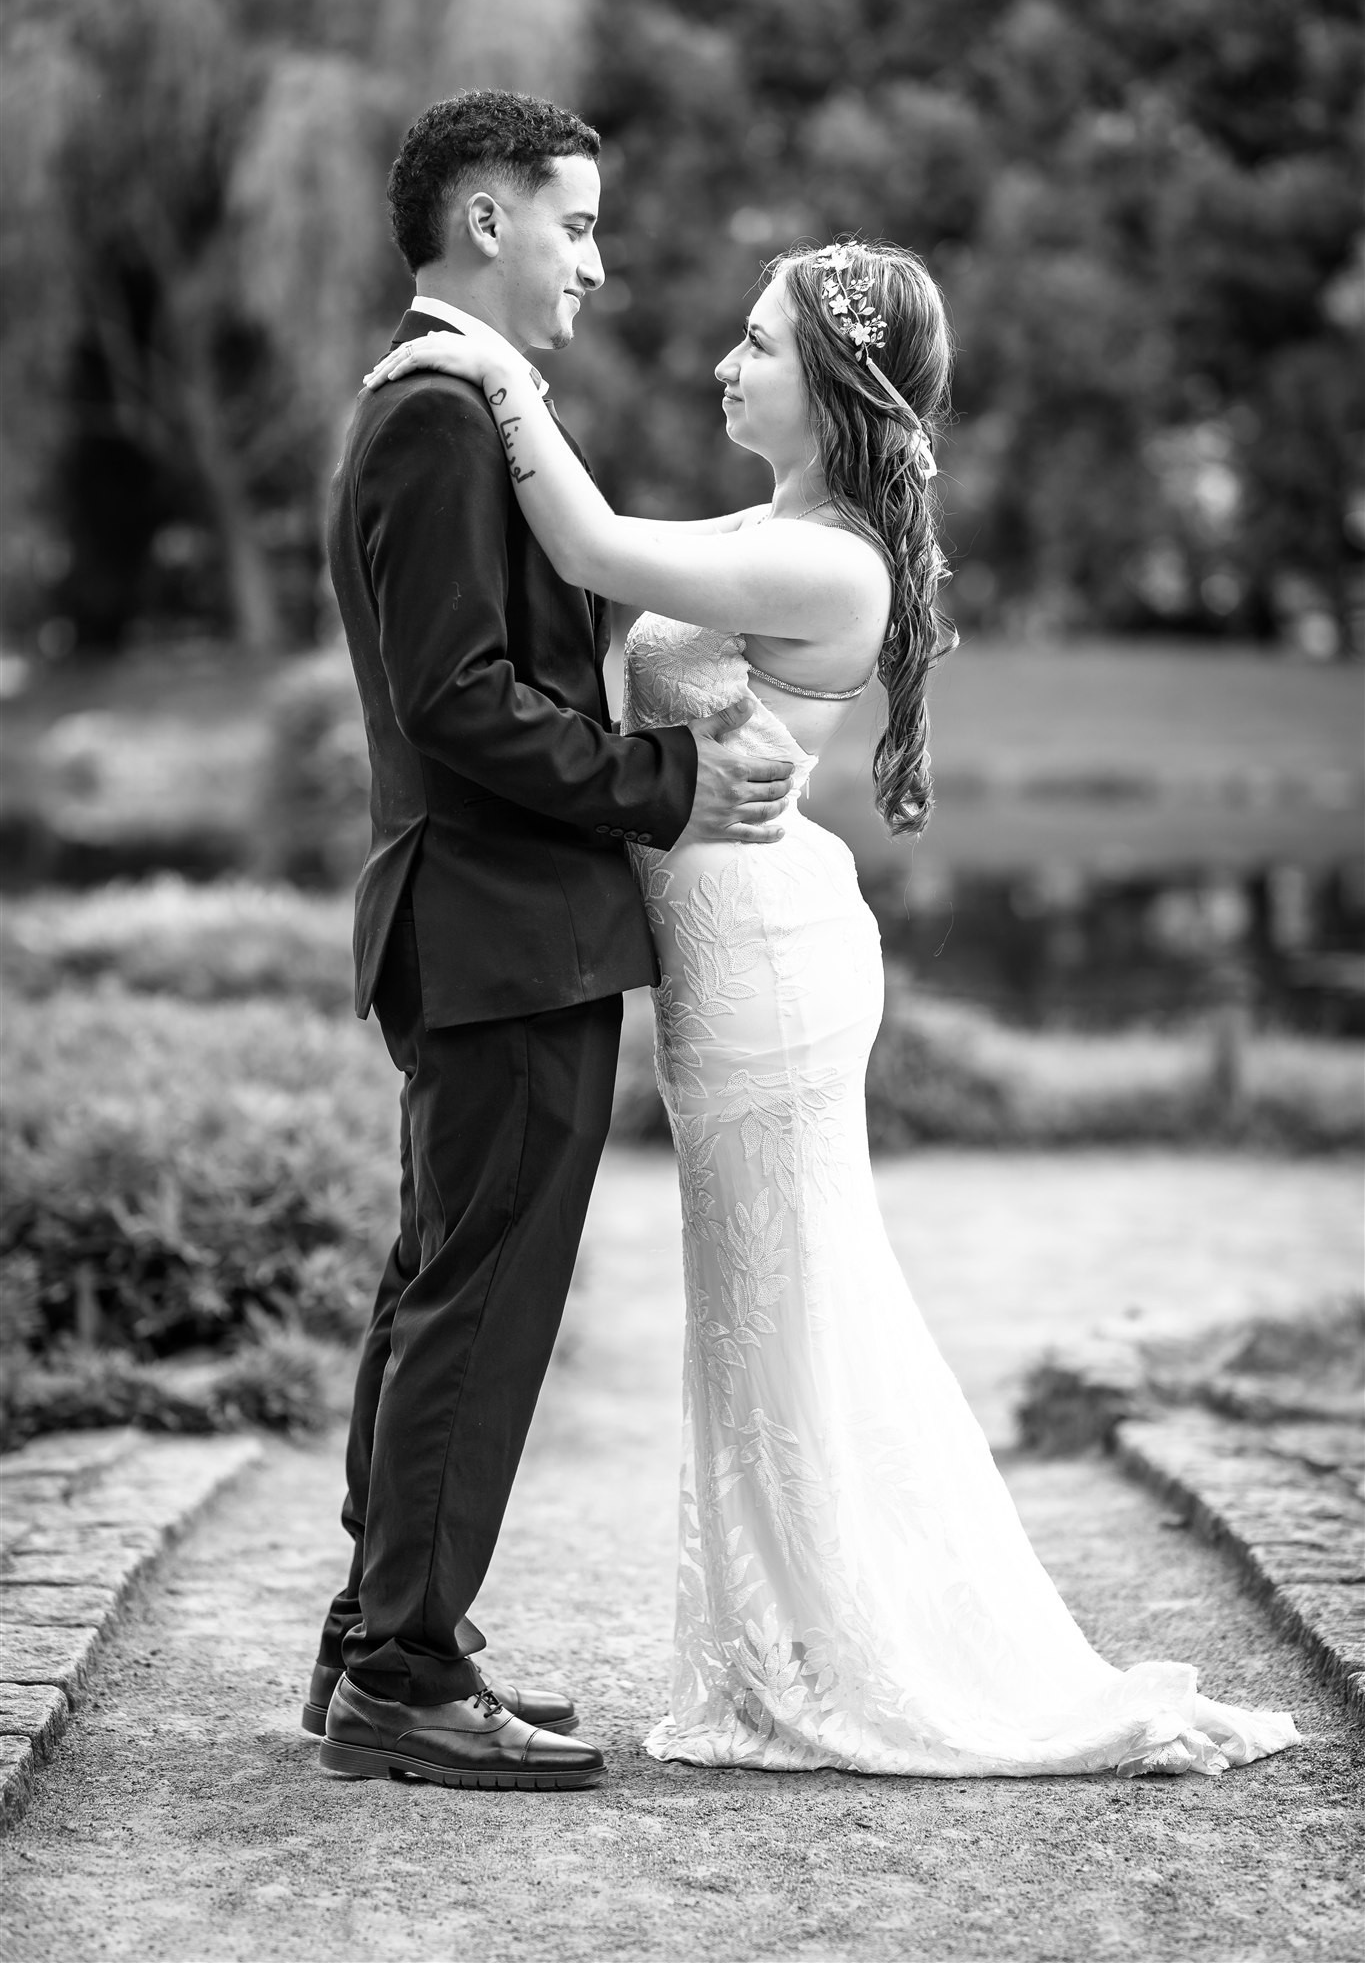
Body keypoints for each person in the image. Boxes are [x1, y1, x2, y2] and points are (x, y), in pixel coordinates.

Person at [363, 235, 1302, 1779]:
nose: (726, 367)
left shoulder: (825, 560)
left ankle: (844, 1647)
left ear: (838, 385)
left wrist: (484, 368)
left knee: (783, 1296)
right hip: (730, 932)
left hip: (763, 958)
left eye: (757, 346)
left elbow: (593, 554)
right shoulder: (774, 521)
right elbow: (604, 570)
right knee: (759, 1301)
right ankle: (782, 1639)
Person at [307, 90, 797, 1794]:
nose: (595, 259)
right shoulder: (441, 413)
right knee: (481, 1298)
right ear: (488, 221)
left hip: (493, 924)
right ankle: (403, 1677)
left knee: (440, 1281)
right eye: (574, 222)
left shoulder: (455, 404)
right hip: (503, 924)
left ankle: (377, 1638)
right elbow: (457, 701)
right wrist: (665, 782)